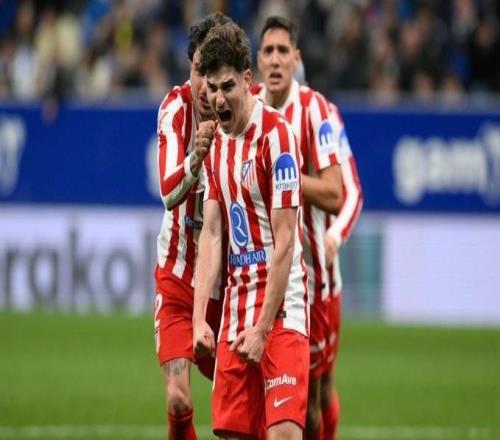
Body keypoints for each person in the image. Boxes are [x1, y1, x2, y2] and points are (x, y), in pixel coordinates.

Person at [192, 21, 310, 440]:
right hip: (234, 314)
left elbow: (285, 242)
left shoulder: (278, 137)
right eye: (211, 89)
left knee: (283, 435)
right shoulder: (214, 145)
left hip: (280, 314)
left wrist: (262, 329)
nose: (218, 99)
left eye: (227, 86)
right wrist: (198, 320)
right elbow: (211, 235)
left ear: (247, 80)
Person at [253, 16, 347, 440]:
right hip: (256, 277)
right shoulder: (247, 108)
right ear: (257, 60)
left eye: (282, 51)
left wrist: (286, 178)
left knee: (309, 405)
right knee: (259, 397)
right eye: (268, 51)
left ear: (296, 58)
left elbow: (335, 193)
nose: (275, 60)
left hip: (309, 283)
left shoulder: (316, 112)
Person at [153, 12, 231, 440]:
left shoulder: (243, 113)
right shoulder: (174, 108)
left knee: (240, 411)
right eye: (199, 70)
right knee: (179, 399)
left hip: (229, 285)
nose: (204, 85)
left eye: (214, 73)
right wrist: (195, 159)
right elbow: (168, 190)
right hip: (179, 278)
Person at [322, 101, 364, 440]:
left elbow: (351, 193)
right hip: (260, 280)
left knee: (319, 393)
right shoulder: (248, 105)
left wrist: (334, 237)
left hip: (318, 284)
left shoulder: (323, 114)